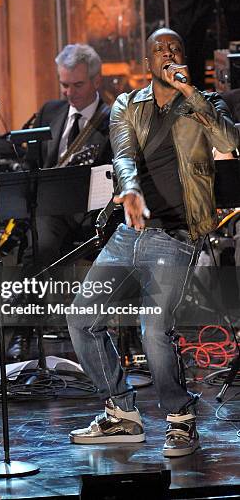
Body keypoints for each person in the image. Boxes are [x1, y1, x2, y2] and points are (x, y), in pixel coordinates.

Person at [66, 28, 238, 457]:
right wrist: (130, 190)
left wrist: (191, 93)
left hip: (178, 234)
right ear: (146, 63)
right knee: (82, 317)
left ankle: (180, 419)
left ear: (184, 57)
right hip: (131, 231)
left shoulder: (204, 103)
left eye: (174, 48)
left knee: (153, 327)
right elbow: (122, 154)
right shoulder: (128, 104)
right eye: (159, 49)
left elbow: (230, 142)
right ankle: (121, 413)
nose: (167, 53)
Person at [6, 43, 112, 361]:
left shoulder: (112, 121)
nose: (68, 92)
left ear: (96, 81)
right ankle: (24, 331)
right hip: (54, 210)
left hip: (95, 211)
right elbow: (33, 164)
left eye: (77, 85)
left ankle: (93, 338)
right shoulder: (49, 111)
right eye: (64, 84)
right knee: (41, 242)